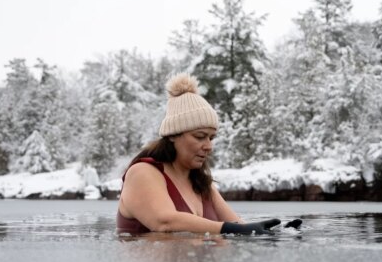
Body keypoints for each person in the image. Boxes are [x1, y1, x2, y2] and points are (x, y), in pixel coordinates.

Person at [117, 73, 281, 235]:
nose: (209, 146)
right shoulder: (142, 172)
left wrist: (278, 231)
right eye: (200, 136)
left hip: (195, 261)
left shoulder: (201, 182)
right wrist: (232, 229)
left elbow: (238, 225)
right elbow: (164, 222)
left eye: (211, 138)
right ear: (173, 135)